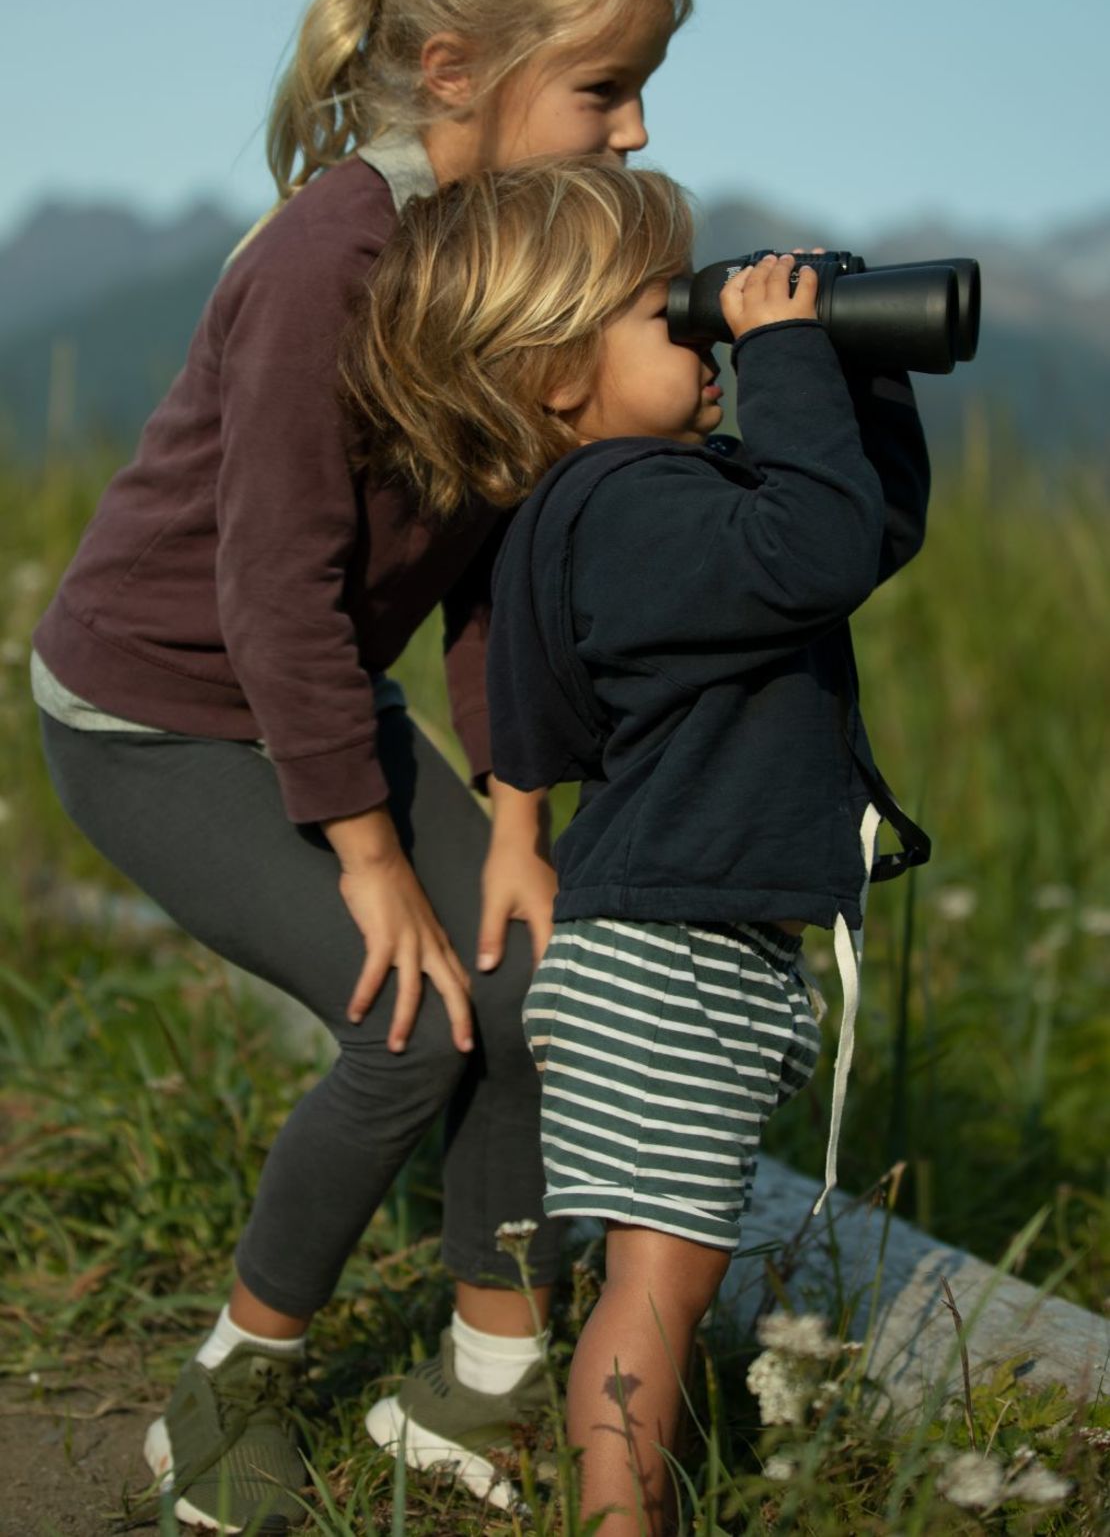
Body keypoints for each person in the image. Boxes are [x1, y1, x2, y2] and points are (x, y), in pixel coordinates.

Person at [31, 0, 691, 1533]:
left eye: (644, 91)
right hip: (159, 713)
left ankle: (475, 1391)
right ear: (459, 72)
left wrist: (517, 819)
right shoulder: (334, 256)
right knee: (404, 1020)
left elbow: (489, 574)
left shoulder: (509, 250)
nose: (633, 129)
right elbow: (266, 590)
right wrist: (374, 856)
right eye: (606, 87)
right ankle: (227, 1384)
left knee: (528, 979)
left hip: (313, 700)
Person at [350, 158, 931, 1535]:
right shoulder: (626, 511)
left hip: (668, 945)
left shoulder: (617, 512)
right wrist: (786, 352)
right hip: (668, 958)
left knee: (660, 1271)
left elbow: (866, 529)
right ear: (559, 375)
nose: (707, 329)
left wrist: (859, 364)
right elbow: (819, 549)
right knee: (656, 1285)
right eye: (664, 313)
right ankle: (621, 1521)